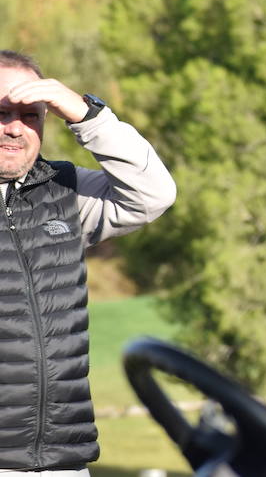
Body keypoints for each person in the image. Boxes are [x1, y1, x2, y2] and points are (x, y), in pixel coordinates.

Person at [0, 50, 175, 475]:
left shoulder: (65, 191)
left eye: (32, 114)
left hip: (63, 457)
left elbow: (153, 195)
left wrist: (85, 114)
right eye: (1, 112)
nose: (16, 128)